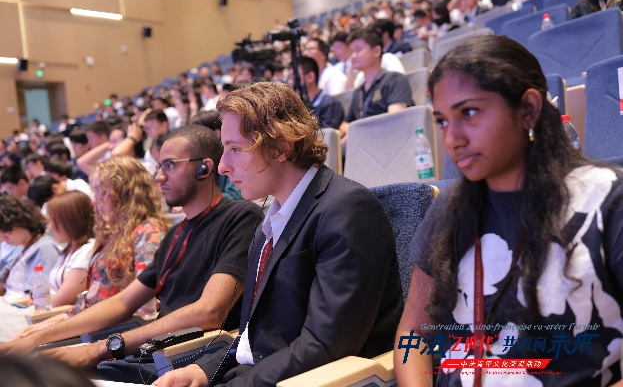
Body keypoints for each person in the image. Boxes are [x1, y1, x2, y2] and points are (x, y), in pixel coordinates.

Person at [394, 35, 623, 386]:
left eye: (469, 113)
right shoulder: (449, 210)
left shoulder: (607, 201)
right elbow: (414, 335)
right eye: (442, 121)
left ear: (528, 109)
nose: (452, 139)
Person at [153, 81, 403, 387]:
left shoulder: (347, 209)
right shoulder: (269, 224)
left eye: (235, 149)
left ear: (281, 146)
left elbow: (324, 347)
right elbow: (256, 338)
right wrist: (202, 370)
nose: (222, 167)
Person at [0, 128, 261, 386]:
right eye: (159, 166)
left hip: (186, 360)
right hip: (149, 355)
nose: (159, 176)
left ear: (204, 168)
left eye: (170, 165)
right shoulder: (175, 234)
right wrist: (37, 338)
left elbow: (209, 311)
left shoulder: (240, 217)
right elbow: (123, 301)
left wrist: (100, 348)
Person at [340, 29, 414, 146]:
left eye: (358, 50)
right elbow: (345, 124)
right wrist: (353, 131)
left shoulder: (394, 79)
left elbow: (395, 120)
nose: (353, 56)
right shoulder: (358, 92)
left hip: (390, 144)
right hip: (362, 145)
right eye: (351, 52)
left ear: (376, 51)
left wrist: (357, 131)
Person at [0, 195, 60, 301]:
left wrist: (7, 305)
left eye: (8, 231)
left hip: (20, 306)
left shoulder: (44, 247)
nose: (4, 238)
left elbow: (38, 295)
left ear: (23, 222)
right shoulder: (24, 246)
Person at [298, 56, 345, 129]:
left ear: (310, 77)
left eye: (296, 77)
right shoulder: (300, 107)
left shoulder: (330, 104)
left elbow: (327, 134)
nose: (291, 82)